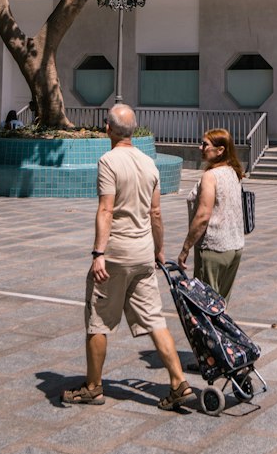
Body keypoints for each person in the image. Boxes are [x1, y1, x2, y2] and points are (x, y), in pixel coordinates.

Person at [62, 102, 195, 411]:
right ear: (132, 131)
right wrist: (159, 249)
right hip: (144, 254)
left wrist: (98, 253)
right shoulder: (150, 164)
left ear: (107, 129)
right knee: (155, 319)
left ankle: (93, 387)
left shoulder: (108, 161)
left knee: (98, 320)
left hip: (116, 255)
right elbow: (157, 213)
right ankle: (178, 382)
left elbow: (106, 209)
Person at [178, 128, 244, 303]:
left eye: (205, 144)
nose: (200, 148)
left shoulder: (210, 176)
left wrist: (186, 248)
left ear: (220, 150)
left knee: (206, 307)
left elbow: (203, 216)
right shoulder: (233, 172)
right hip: (234, 246)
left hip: (213, 248)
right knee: (220, 306)